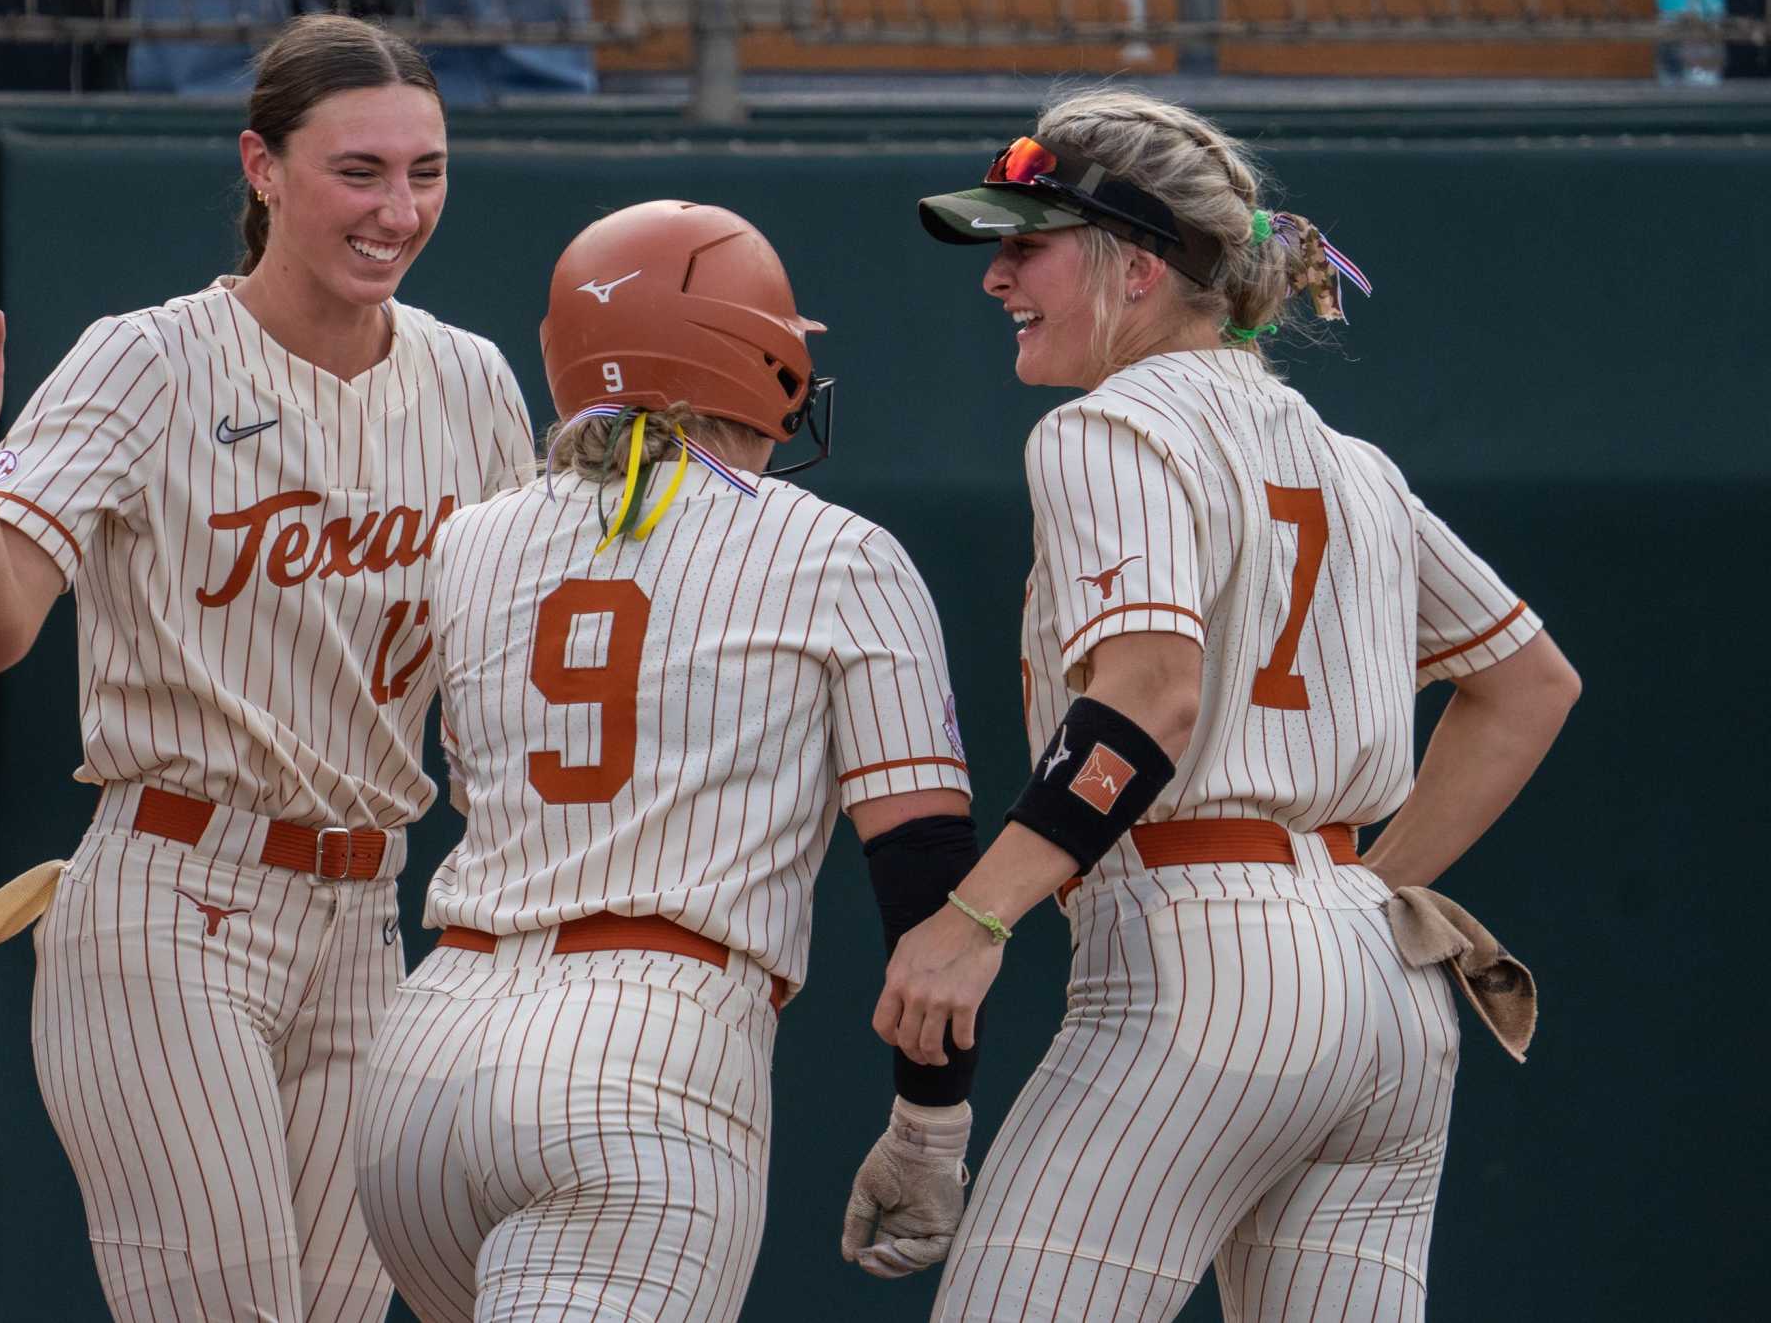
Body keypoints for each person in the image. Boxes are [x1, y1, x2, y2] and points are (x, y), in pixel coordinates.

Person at [871, 88, 1581, 1321]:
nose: (996, 278)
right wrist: (1355, 896)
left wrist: (972, 920)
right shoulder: (1346, 460)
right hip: (1386, 980)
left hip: (1198, 961)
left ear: (1136, 269)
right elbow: (1526, 682)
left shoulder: (1111, 425)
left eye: (1024, 244)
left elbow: (1151, 695)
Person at [0, 13, 536, 1322]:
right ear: (262, 168)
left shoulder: (474, 380)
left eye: (423, 170)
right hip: (174, 898)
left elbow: (505, 681)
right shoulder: (147, 358)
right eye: (356, 170)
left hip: (370, 915)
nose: (397, 205)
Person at [350, 199, 984, 1322]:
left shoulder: (470, 540)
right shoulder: (835, 549)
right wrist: (928, 1122)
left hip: (422, 1059)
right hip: (645, 1050)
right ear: (758, 355)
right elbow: (922, 870)